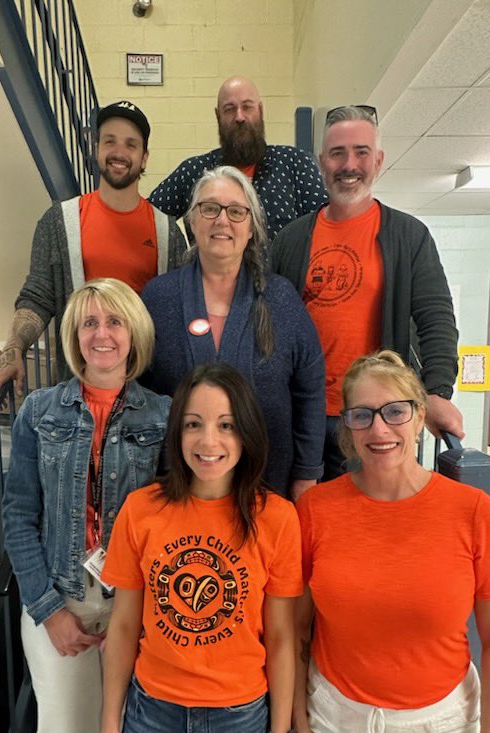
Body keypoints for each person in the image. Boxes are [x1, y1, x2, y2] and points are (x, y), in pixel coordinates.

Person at [291, 350, 490, 733]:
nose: (379, 429)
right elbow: (294, 634)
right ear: (348, 430)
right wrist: (299, 732)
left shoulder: (472, 513)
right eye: (362, 415)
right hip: (337, 729)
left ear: (420, 420)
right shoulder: (315, 510)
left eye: (395, 411)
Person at [95, 362, 302, 733]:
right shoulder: (141, 509)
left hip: (240, 719)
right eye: (194, 424)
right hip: (152, 714)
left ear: (246, 433)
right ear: (177, 433)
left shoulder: (278, 518)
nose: (209, 441)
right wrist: (109, 729)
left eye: (226, 425)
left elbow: (283, 637)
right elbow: (125, 626)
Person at [3, 278, 170, 733]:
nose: (102, 334)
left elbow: (174, 522)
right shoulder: (40, 411)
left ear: (133, 333)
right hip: (59, 600)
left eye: (114, 321)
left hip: (134, 607)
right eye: (89, 323)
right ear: (75, 337)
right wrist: (50, 610)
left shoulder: (164, 414)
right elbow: (17, 516)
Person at [271, 105, 463, 480]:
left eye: (361, 152)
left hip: (374, 418)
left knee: (367, 526)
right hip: (302, 416)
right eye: (338, 153)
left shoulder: (408, 236)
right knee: (303, 524)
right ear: (322, 162)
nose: (349, 165)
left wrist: (437, 391)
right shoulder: (290, 240)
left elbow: (436, 318)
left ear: (378, 161)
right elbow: (269, 329)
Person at [141, 165, 325, 501]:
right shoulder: (158, 298)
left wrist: (307, 472)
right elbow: (139, 391)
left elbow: (310, 389)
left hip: (267, 484)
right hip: (180, 487)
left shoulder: (281, 298)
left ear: (252, 227)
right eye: (209, 208)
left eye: (236, 211)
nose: (222, 220)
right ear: (192, 222)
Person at [0, 100, 186, 398]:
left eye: (131, 144)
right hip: (77, 397)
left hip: (147, 398)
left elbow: (178, 313)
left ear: (144, 158)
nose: (119, 152)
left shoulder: (167, 232)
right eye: (110, 141)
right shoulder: (59, 223)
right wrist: (13, 348)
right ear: (96, 148)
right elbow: (37, 296)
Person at [149, 76, 327, 242]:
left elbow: (328, 227)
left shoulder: (296, 164)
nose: (239, 116)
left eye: (247, 107)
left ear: (260, 110)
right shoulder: (194, 171)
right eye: (230, 109)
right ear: (218, 116)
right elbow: (148, 218)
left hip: (279, 275)